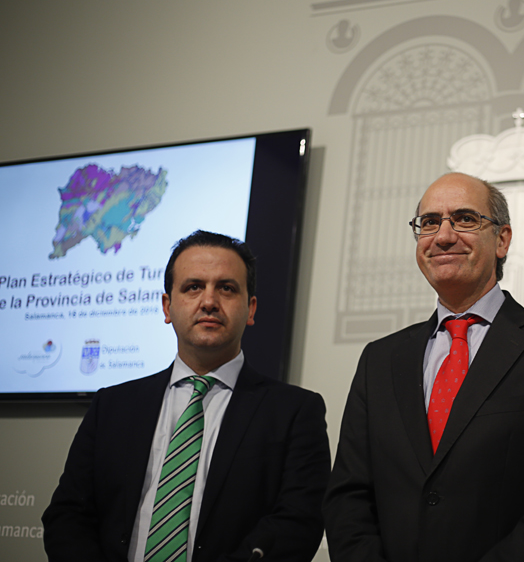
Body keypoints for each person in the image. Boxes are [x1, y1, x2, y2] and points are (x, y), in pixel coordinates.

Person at [324, 173, 524, 562]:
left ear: (503, 239)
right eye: (429, 222)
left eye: (464, 219)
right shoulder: (380, 359)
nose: (443, 236)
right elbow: (349, 496)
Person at [43, 230, 330, 562]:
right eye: (193, 287)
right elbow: (68, 515)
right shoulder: (111, 406)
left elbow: (298, 523)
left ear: (250, 310)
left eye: (226, 288)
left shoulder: (295, 412)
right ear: (167, 306)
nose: (208, 301)